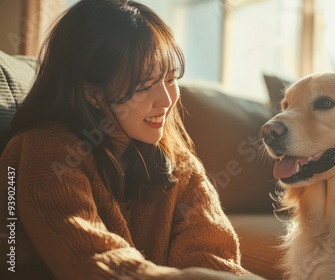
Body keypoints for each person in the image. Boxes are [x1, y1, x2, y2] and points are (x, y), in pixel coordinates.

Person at [0, 0, 265, 279]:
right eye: (144, 85)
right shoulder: (45, 153)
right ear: (92, 91)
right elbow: (90, 259)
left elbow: (212, 256)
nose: (166, 100)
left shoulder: (179, 164)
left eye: (171, 79)